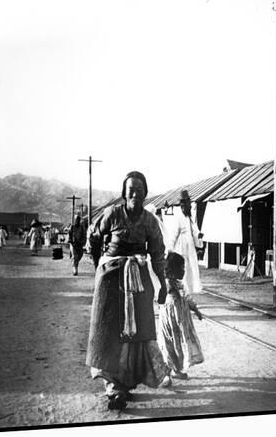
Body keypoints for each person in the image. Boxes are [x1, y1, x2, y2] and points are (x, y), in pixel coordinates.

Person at [86, 171, 170, 411]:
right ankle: (113, 389)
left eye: (140, 189)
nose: (135, 193)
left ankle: (126, 384)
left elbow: (158, 254)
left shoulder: (150, 221)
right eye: (130, 189)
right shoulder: (112, 214)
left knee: (136, 333)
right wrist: (99, 265)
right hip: (111, 280)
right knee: (110, 331)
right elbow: (93, 235)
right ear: (124, 193)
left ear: (145, 193)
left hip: (139, 281)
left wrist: (162, 284)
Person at [158, 251, 204, 380]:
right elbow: (159, 297)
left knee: (178, 342)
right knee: (170, 343)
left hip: (180, 320)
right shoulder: (167, 284)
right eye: (181, 268)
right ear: (172, 270)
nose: (184, 271)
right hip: (170, 319)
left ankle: (176, 369)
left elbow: (187, 298)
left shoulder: (180, 284)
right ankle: (170, 370)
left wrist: (196, 309)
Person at [168, 190, 202, 294]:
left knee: (192, 269)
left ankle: (190, 292)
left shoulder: (190, 217)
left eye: (188, 203)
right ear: (181, 204)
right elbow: (173, 234)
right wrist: (170, 249)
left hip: (190, 246)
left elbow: (195, 231)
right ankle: (183, 292)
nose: (188, 206)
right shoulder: (178, 217)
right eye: (185, 203)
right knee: (184, 269)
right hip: (181, 246)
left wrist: (198, 236)